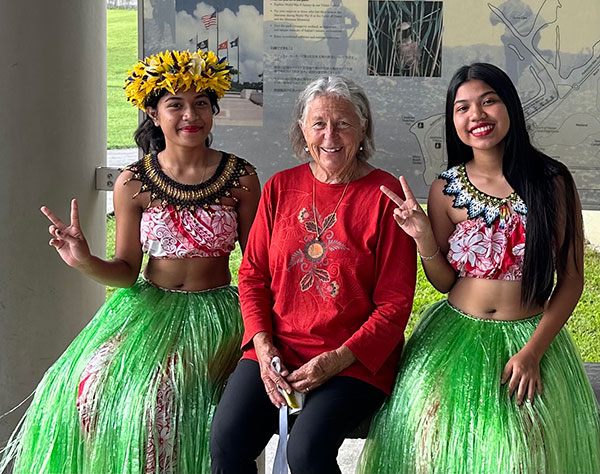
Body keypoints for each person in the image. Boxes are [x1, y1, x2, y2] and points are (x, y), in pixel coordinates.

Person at [0, 49, 260, 473]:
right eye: (175, 104)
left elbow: (256, 265)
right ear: (154, 114)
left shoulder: (241, 177)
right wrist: (83, 260)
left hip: (215, 314)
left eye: (200, 103)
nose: (189, 114)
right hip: (146, 308)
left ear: (214, 111)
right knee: (89, 385)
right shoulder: (133, 182)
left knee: (161, 396)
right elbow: (124, 272)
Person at [358, 62, 600, 473]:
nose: (477, 116)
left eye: (488, 101)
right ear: (453, 120)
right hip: (453, 337)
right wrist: (424, 239)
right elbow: (443, 281)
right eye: (462, 107)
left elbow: (572, 279)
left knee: (521, 456)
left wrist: (532, 352)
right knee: (433, 447)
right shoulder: (444, 188)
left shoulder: (553, 181)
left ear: (510, 106)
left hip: (530, 341)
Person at [209, 76, 417, 474]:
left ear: (363, 129)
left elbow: (394, 306)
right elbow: (253, 275)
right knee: (227, 440)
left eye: (343, 123)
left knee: (306, 452)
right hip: (277, 351)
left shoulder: (384, 195)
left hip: (354, 359)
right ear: (302, 130)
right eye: (319, 123)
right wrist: (264, 345)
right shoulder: (280, 188)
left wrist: (336, 360)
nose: (330, 135)